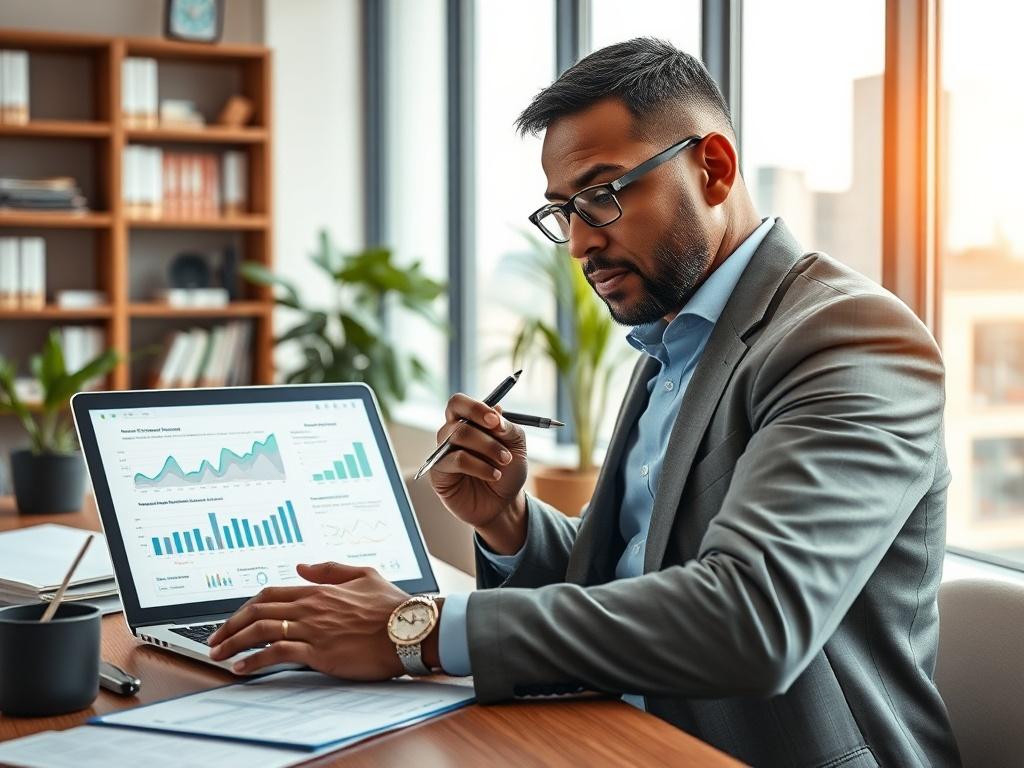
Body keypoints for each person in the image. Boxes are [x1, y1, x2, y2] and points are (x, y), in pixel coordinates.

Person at [209, 38, 961, 767]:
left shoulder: (849, 339)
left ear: (715, 168)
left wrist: (422, 629)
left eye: (600, 196)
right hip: (622, 733)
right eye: (562, 210)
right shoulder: (678, 333)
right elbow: (640, 581)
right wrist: (510, 524)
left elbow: (751, 619)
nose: (577, 244)